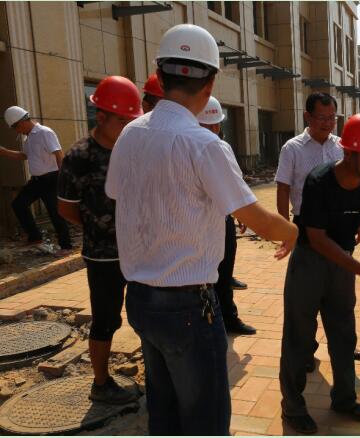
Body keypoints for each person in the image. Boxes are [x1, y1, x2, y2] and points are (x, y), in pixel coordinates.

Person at [105, 24, 298, 435]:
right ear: (210, 83)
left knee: (164, 409)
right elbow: (256, 218)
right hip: (187, 307)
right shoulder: (205, 144)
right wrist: (293, 233)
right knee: (204, 419)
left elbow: (117, 194)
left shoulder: (129, 135)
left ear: (161, 75)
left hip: (139, 298)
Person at [279, 113, 360, 434]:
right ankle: (293, 407)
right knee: (299, 337)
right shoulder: (320, 180)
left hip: (343, 264)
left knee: (344, 333)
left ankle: (343, 398)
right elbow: (316, 238)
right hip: (309, 263)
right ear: (349, 152)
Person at [57, 76, 143, 404]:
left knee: (146, 312)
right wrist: (100, 227)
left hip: (139, 250)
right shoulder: (80, 156)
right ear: (101, 116)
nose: (127, 127)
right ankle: (101, 383)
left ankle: (157, 372)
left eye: (130, 121)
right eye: (122, 121)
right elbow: (66, 208)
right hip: (103, 255)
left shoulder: (132, 149)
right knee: (106, 318)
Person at [275, 92, 360, 369]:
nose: (327, 123)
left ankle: (343, 347)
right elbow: (283, 188)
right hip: (306, 231)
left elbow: (356, 184)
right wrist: (285, 229)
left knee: (343, 298)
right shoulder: (292, 148)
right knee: (304, 301)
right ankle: (304, 352)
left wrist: (359, 220)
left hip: (341, 231)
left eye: (332, 118)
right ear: (307, 116)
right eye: (321, 117)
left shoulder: (342, 147)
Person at [197, 96, 256, 335]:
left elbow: (235, 182)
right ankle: (213, 322)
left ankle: (229, 318)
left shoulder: (223, 147)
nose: (213, 130)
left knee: (225, 272)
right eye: (207, 125)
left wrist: (240, 212)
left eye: (216, 124)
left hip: (224, 218)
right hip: (201, 226)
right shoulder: (190, 148)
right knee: (208, 276)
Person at [1, 106, 71, 253]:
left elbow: (59, 154)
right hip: (37, 181)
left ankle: (66, 245)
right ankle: (35, 237)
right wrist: (4, 152)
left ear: (21, 122)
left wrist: (63, 178)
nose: (17, 131)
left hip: (52, 178)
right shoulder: (29, 138)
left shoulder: (45, 132)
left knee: (55, 212)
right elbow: (24, 156)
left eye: (15, 128)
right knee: (18, 204)